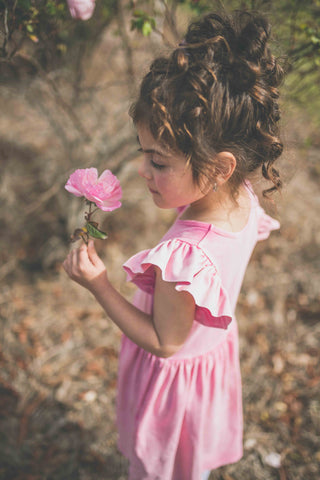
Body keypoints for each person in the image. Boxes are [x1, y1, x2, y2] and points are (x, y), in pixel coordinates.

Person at [63, 9, 284, 480]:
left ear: (221, 166)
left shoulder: (185, 258)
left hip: (173, 389)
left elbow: (165, 343)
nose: (143, 172)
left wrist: (99, 285)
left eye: (158, 162)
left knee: (160, 468)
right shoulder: (241, 197)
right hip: (209, 367)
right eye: (144, 155)